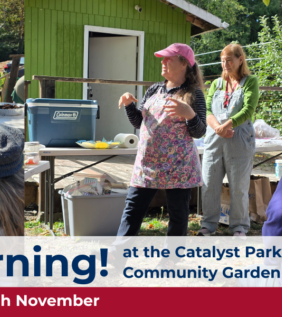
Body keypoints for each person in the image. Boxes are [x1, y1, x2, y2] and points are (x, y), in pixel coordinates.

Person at [110, 43, 207, 267]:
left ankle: (171, 260)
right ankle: (118, 255)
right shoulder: (154, 89)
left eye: (168, 58)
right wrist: (129, 105)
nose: (163, 62)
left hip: (179, 165)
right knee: (133, 207)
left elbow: (199, 131)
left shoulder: (194, 94)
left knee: (178, 212)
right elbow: (139, 122)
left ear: (184, 64)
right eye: (162, 58)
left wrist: (190, 114)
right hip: (148, 163)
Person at [199, 43, 260, 237]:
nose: (225, 64)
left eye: (229, 60)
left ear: (240, 60)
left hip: (239, 140)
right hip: (214, 139)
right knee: (209, 185)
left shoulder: (250, 82)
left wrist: (226, 126)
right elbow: (207, 109)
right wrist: (218, 128)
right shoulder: (216, 84)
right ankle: (208, 225)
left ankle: (239, 227)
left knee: (239, 188)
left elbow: (248, 110)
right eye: (222, 61)